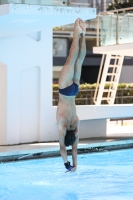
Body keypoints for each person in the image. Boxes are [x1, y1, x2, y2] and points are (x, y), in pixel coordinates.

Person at [56, 18, 86, 172]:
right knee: (71, 59)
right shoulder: (62, 125)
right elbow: (63, 147)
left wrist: (74, 165)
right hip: (65, 91)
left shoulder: (76, 123)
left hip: (74, 91)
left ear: (73, 134)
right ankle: (76, 32)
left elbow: (74, 150)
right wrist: (66, 164)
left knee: (79, 61)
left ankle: (83, 35)